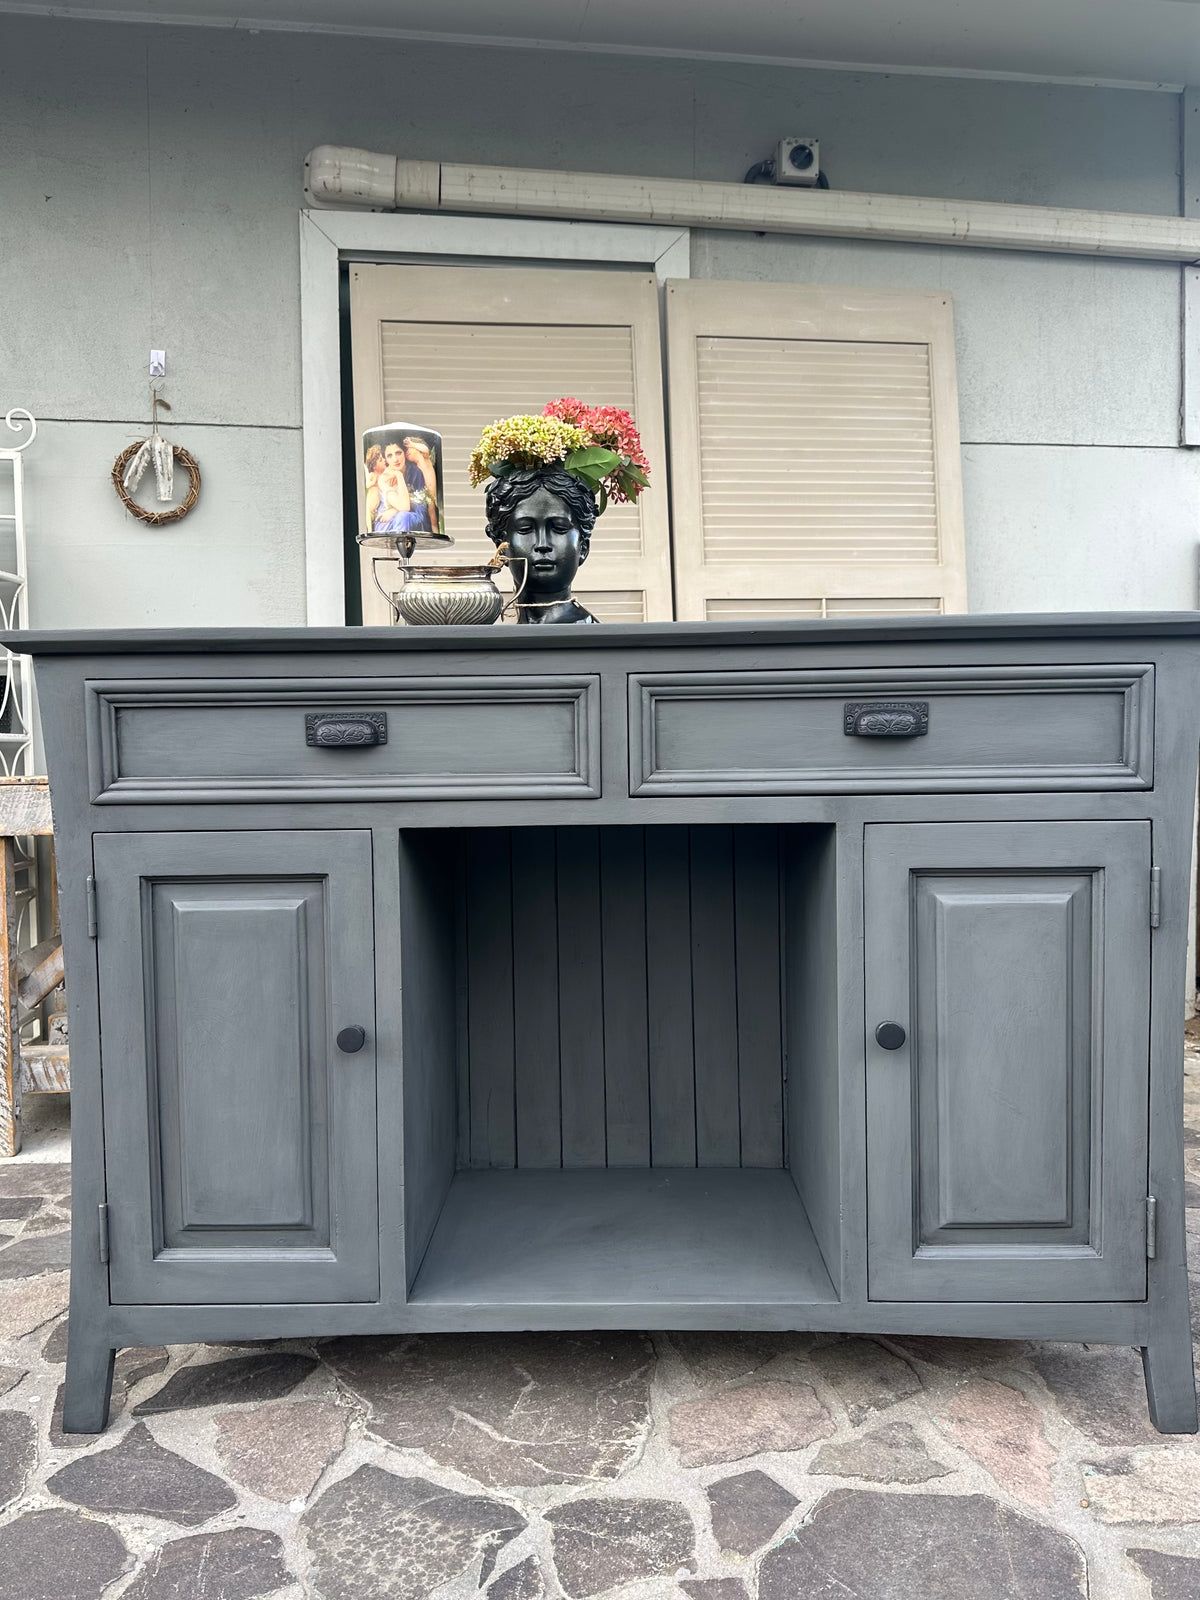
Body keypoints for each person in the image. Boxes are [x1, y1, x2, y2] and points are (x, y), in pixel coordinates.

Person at [484, 464, 599, 625]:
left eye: (559, 528)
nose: (542, 544)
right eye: (525, 529)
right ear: (501, 547)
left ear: (583, 547)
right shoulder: (497, 643)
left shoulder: (594, 639)